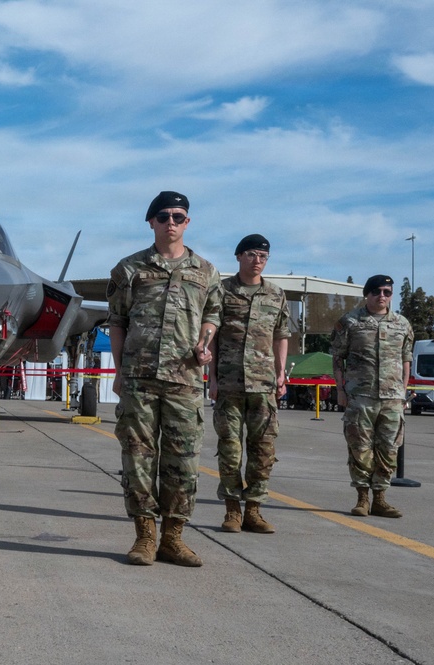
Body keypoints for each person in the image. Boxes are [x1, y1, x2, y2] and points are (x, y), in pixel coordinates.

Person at [107, 191, 221, 567]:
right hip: (140, 378)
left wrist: (205, 342)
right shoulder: (129, 269)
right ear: (151, 222)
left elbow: (213, 315)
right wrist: (120, 372)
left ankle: (173, 537)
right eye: (162, 216)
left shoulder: (206, 272)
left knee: (184, 461)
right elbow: (118, 322)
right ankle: (144, 536)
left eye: (178, 216)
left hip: (185, 379)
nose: (170, 222)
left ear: (187, 222)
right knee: (138, 458)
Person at [208, 234, 290, 534]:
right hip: (229, 384)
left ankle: (254, 510)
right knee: (230, 449)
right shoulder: (221, 291)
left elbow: (281, 335)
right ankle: (232, 510)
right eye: (252, 255)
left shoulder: (276, 295)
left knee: (263, 449)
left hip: (263, 385)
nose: (258, 261)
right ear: (239, 256)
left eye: (263, 256)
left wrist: (281, 375)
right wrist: (212, 378)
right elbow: (213, 336)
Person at [331, 275, 413, 518]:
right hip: (360, 396)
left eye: (387, 292)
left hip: (392, 397)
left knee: (389, 448)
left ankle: (380, 498)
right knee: (360, 448)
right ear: (366, 294)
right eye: (376, 291)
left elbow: (406, 359)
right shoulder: (350, 322)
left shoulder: (402, 324)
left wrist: (403, 392)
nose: (382, 296)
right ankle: (362, 498)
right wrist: (340, 390)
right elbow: (337, 358)